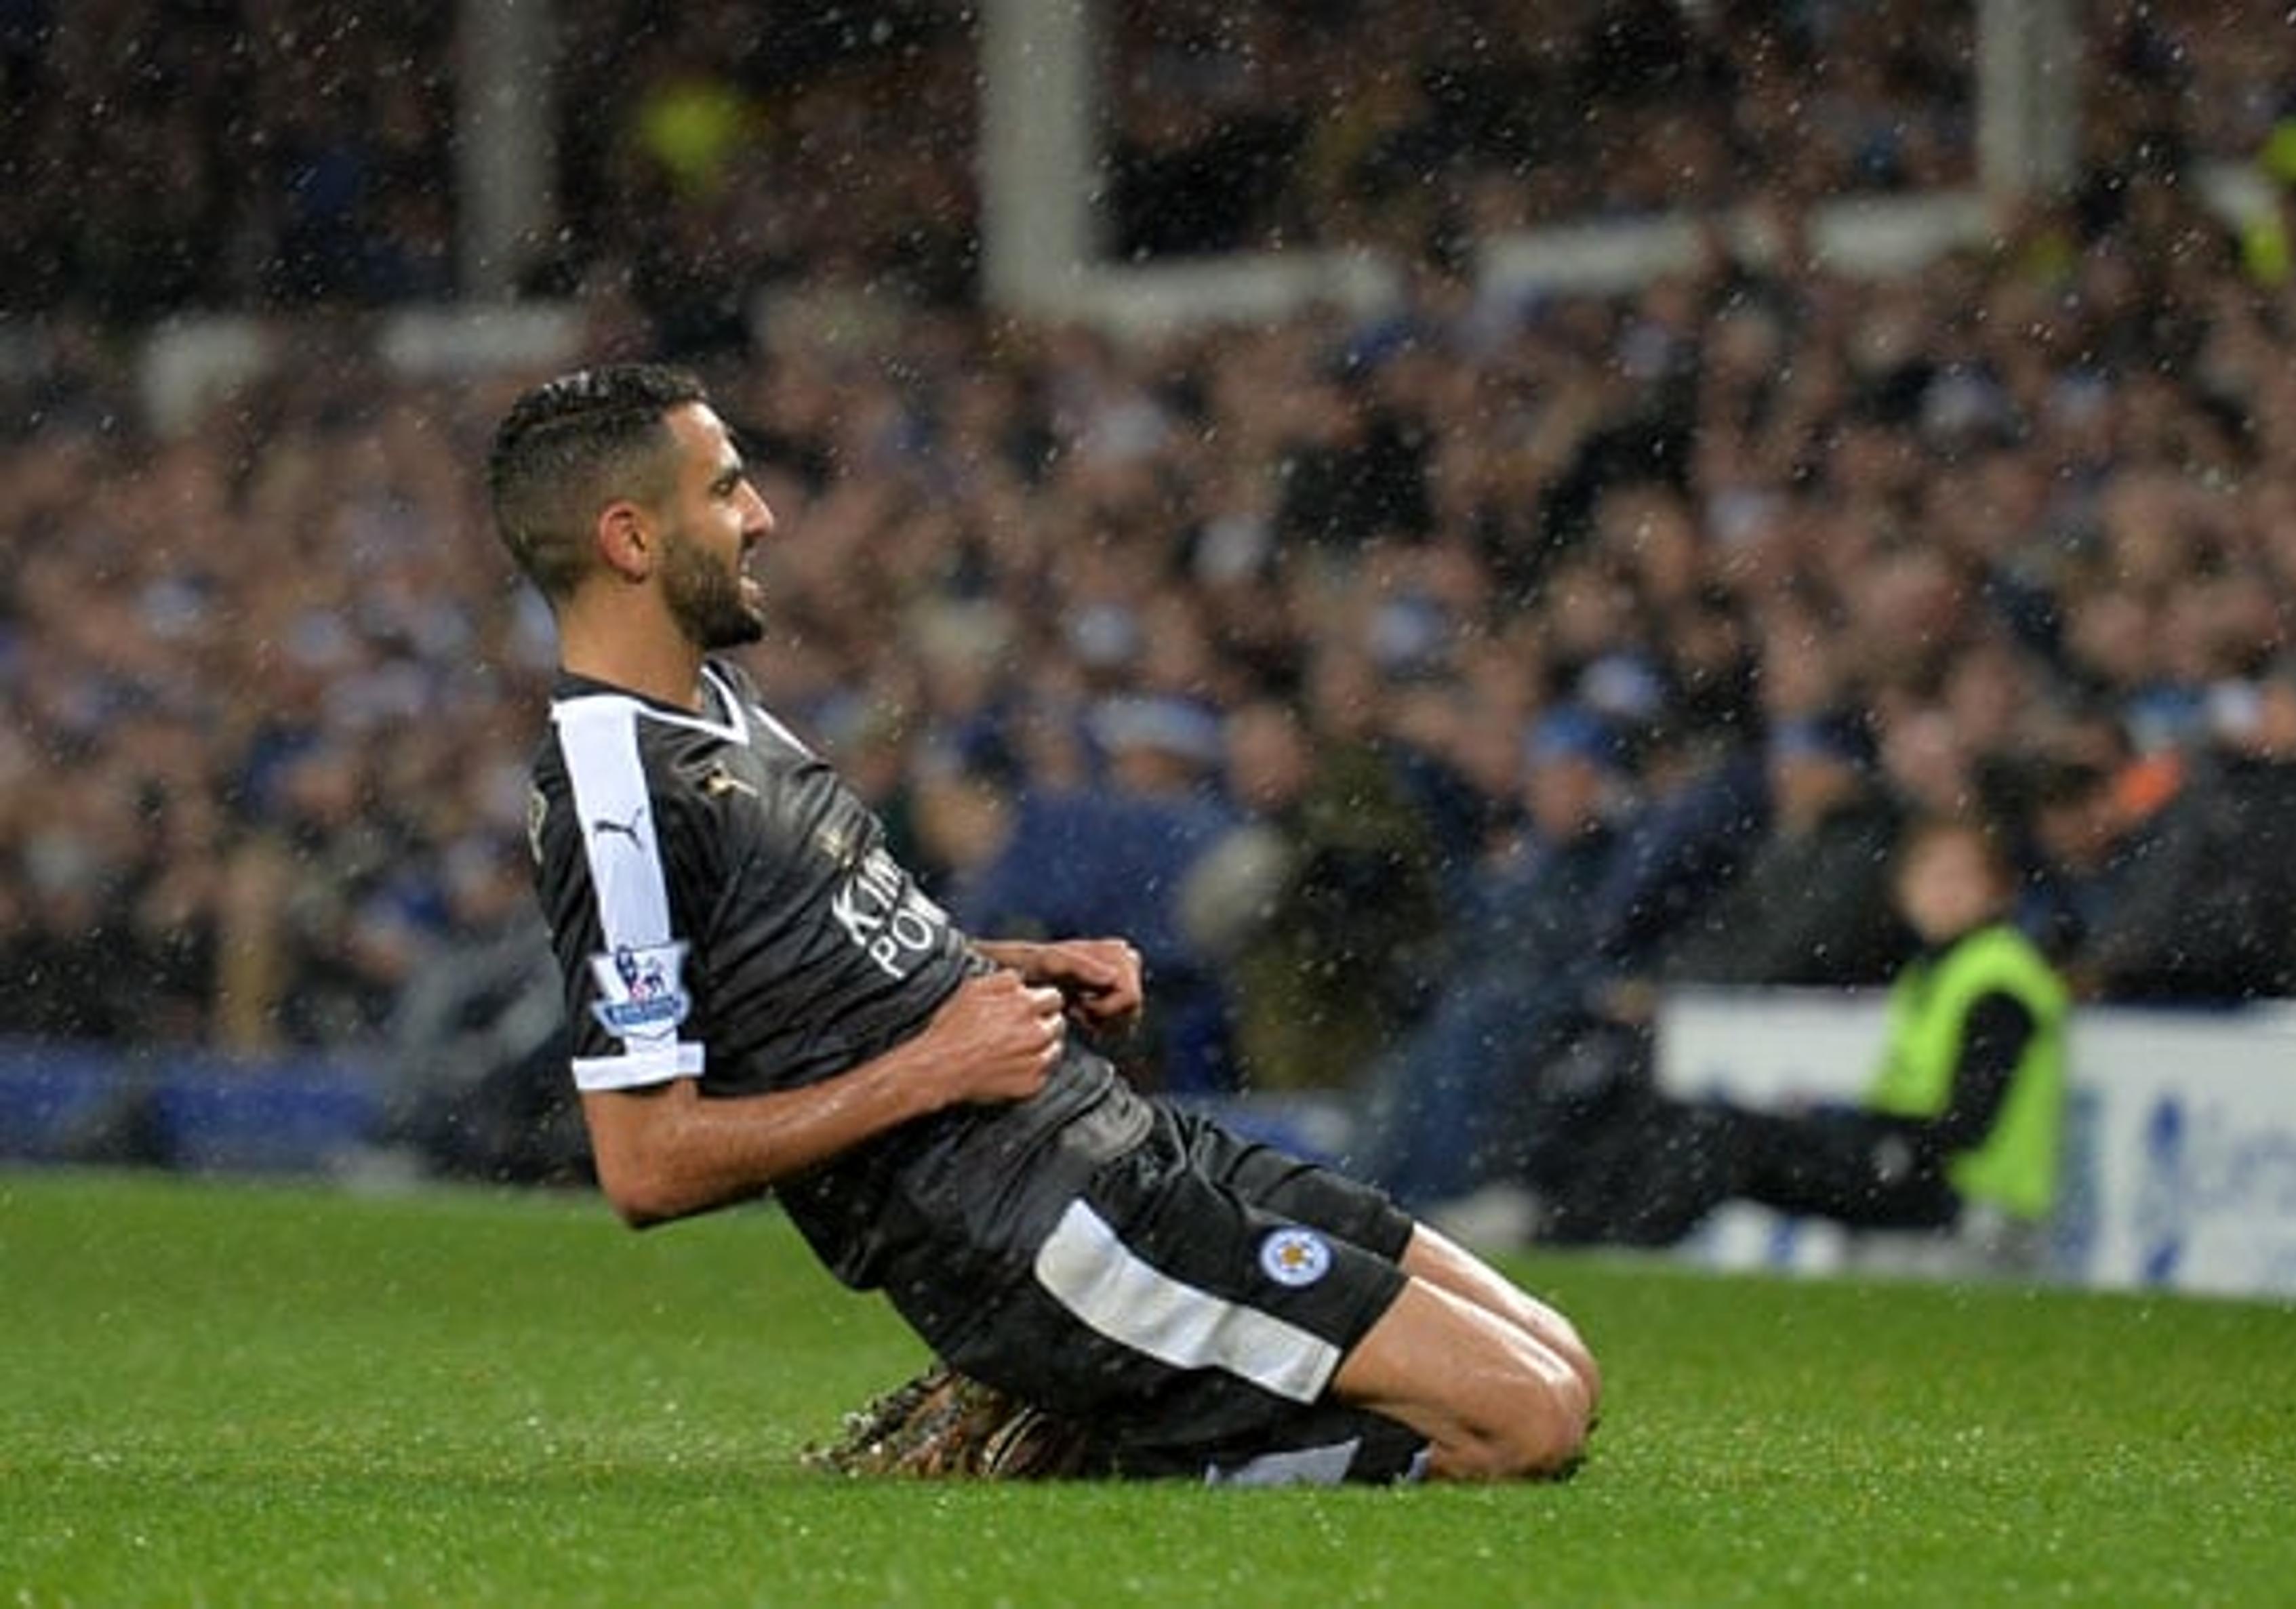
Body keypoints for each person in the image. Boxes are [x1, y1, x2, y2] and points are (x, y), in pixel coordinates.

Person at [483, 363, 1596, 1486]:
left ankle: (1106, 1418)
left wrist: (1013, 967)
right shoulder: (612, 788)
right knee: (1522, 1422)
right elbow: (647, 1161)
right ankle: (1080, 1440)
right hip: (1025, 1223)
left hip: (1113, 1137)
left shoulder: (715, 707)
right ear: (629, 538)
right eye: (726, 490)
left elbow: (817, 968)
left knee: (1565, 1364)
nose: (763, 516)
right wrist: (936, 1064)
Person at [1514, 813, 2072, 1258]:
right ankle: (1570, 1239)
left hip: (1964, 1195)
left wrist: (1858, 1130)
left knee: (1723, 1138)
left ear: (1998, 893)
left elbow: (1966, 1124)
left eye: (1958, 878)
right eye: (1928, 875)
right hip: (1918, 1164)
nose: (1939, 893)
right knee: (1691, 1121)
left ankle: (1608, 1255)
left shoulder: (2000, 981)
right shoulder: (1939, 970)